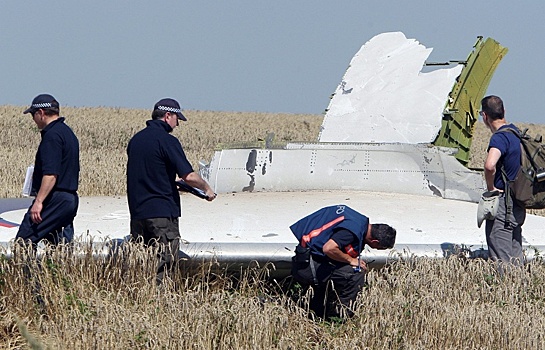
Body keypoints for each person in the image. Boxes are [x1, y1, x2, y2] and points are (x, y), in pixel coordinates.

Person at [126, 98, 216, 284]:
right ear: (168, 116)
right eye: (177, 119)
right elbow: (189, 176)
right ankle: (160, 302)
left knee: (142, 264)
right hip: (162, 214)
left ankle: (138, 300)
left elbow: (149, 173)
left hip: (137, 213)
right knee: (164, 265)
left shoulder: (136, 140)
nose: (177, 124)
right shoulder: (167, 141)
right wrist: (207, 189)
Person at [290, 204, 396, 319]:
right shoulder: (351, 232)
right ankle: (343, 316)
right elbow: (329, 248)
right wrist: (351, 260)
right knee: (356, 273)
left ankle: (318, 308)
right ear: (375, 241)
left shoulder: (360, 221)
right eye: (381, 248)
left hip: (306, 255)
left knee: (342, 266)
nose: (378, 249)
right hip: (307, 266)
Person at [16, 94, 80, 247]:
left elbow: (51, 174)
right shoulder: (67, 133)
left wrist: (38, 202)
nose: (33, 119)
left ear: (41, 113)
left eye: (33, 114)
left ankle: (28, 271)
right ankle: (59, 270)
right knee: (60, 247)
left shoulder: (52, 136)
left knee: (23, 242)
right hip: (69, 199)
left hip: (54, 199)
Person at [480, 95, 526, 267]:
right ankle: (519, 291)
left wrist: (491, 188)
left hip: (503, 206)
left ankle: (505, 289)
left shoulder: (499, 138)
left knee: (502, 261)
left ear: (485, 116)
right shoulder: (516, 133)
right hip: (518, 204)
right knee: (516, 258)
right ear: (504, 111)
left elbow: (490, 165)